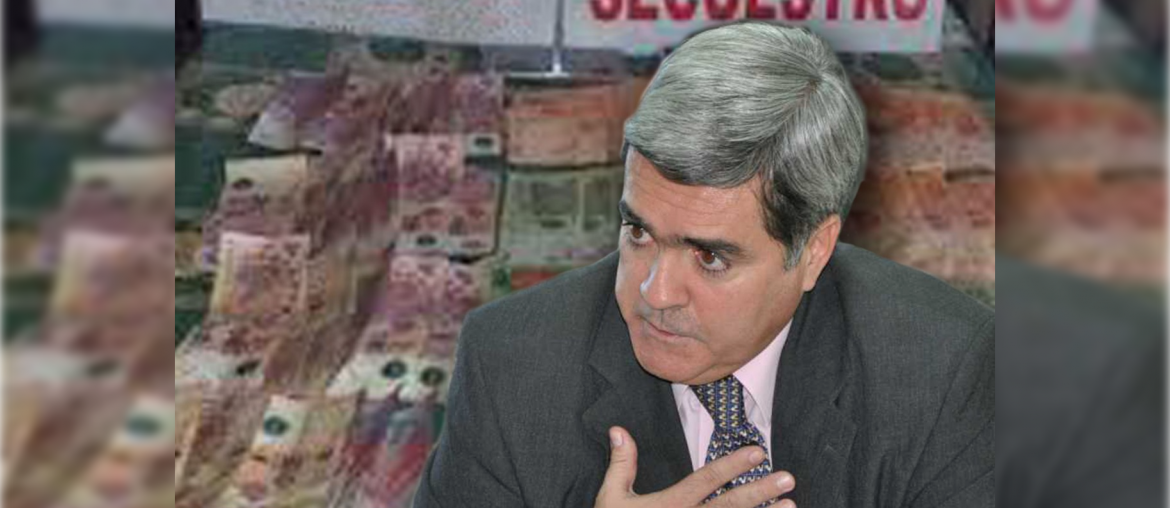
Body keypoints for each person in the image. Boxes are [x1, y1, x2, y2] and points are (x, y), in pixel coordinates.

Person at [414, 21, 993, 508]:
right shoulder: (512, 367)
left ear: (813, 251)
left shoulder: (941, 369)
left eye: (710, 256)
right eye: (638, 232)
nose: (655, 292)